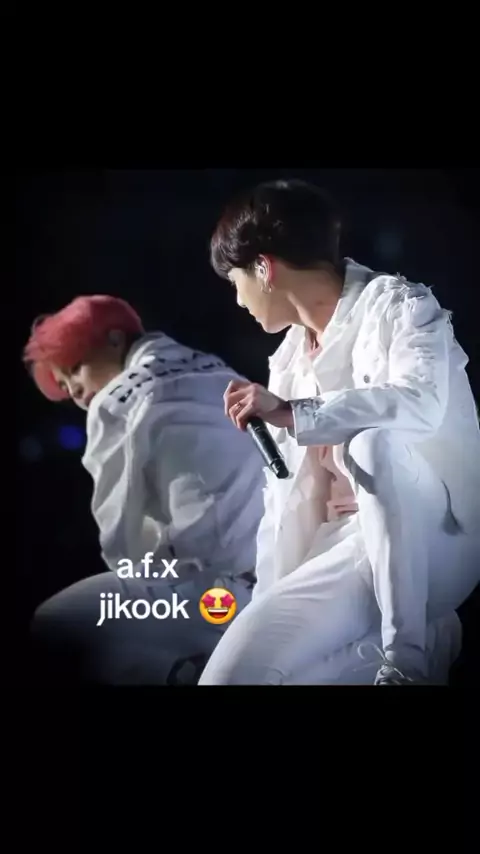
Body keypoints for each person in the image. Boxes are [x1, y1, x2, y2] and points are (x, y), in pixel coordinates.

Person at [198, 178, 480, 685]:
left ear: (263, 268)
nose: (238, 300)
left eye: (235, 281)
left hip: (429, 538)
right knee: (240, 674)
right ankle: (427, 640)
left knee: (372, 442)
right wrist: (263, 604)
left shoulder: (400, 306)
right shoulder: (287, 358)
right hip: (336, 546)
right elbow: (281, 505)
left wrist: (294, 412)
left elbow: (420, 403)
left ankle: (408, 659)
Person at [24, 295, 265, 684]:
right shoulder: (220, 371)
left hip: (211, 598)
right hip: (270, 581)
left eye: (75, 369)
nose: (76, 392)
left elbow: (121, 540)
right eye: (66, 387)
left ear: (115, 339)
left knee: (54, 624)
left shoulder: (116, 401)